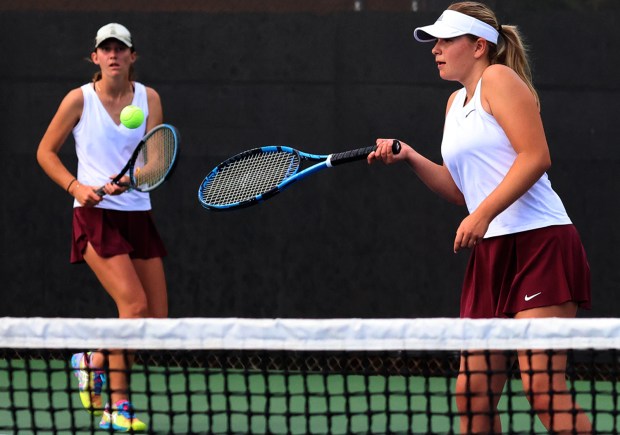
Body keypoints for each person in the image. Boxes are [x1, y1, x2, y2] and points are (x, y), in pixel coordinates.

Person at [368, 2, 592, 433]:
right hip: (491, 254)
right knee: (472, 395)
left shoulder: (499, 79)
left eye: (447, 39)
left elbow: (536, 156)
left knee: (542, 387)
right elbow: (461, 192)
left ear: (478, 45)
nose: (436, 48)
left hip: (540, 243)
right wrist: (411, 156)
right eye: (434, 41)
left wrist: (483, 214)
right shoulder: (454, 104)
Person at [36, 23, 168, 433]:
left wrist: (132, 179)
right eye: (105, 49)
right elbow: (45, 152)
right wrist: (77, 187)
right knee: (133, 307)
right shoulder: (78, 101)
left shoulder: (149, 99)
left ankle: (90, 361)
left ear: (132, 57)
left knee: (158, 323)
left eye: (120, 49)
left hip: (136, 212)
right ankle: (117, 405)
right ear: (95, 57)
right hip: (93, 215)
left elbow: (157, 164)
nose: (113, 55)